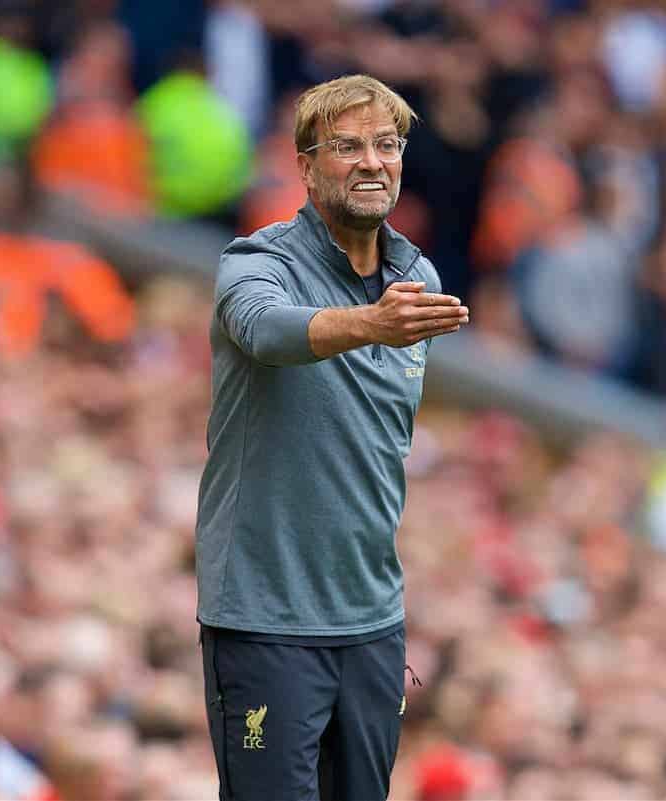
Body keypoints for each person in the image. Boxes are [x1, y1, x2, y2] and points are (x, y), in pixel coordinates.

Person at [194, 74, 470, 801]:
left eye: (386, 144)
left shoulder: (417, 274)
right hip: (266, 617)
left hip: (372, 621)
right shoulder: (258, 262)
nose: (372, 161)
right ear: (308, 168)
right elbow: (264, 329)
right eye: (347, 147)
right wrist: (369, 324)